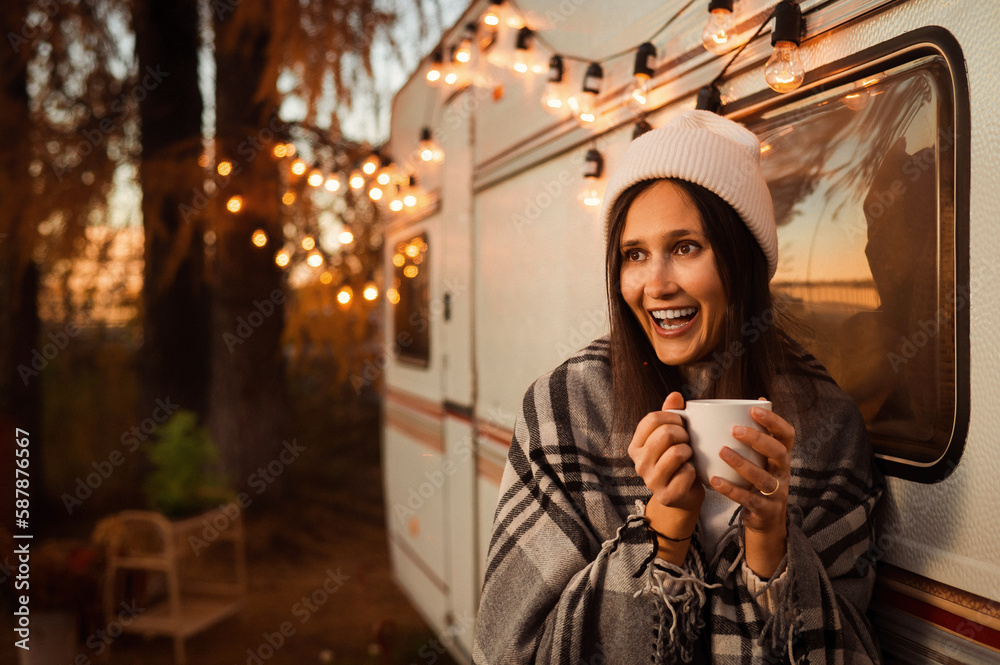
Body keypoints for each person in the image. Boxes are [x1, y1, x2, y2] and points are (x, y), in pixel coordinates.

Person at [472, 110, 884, 664]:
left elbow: (854, 652)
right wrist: (662, 531)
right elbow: (508, 651)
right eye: (634, 254)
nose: (656, 284)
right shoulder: (564, 409)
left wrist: (772, 549)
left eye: (686, 247)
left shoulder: (827, 422)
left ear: (743, 261)